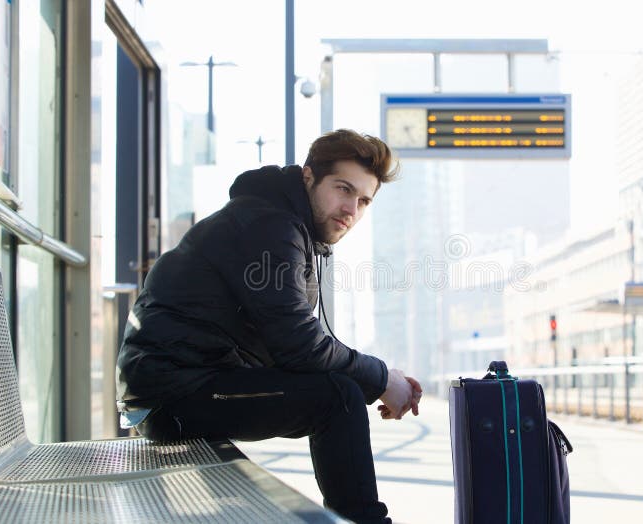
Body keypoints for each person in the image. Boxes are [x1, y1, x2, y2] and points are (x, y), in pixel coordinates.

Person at [116, 129, 421, 524]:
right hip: (171, 396)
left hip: (178, 387)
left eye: (363, 201)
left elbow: (299, 340)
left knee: (337, 392)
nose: (351, 210)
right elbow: (299, 344)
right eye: (343, 189)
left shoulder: (279, 223)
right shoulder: (270, 226)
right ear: (308, 177)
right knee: (337, 398)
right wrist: (382, 380)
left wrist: (381, 378)